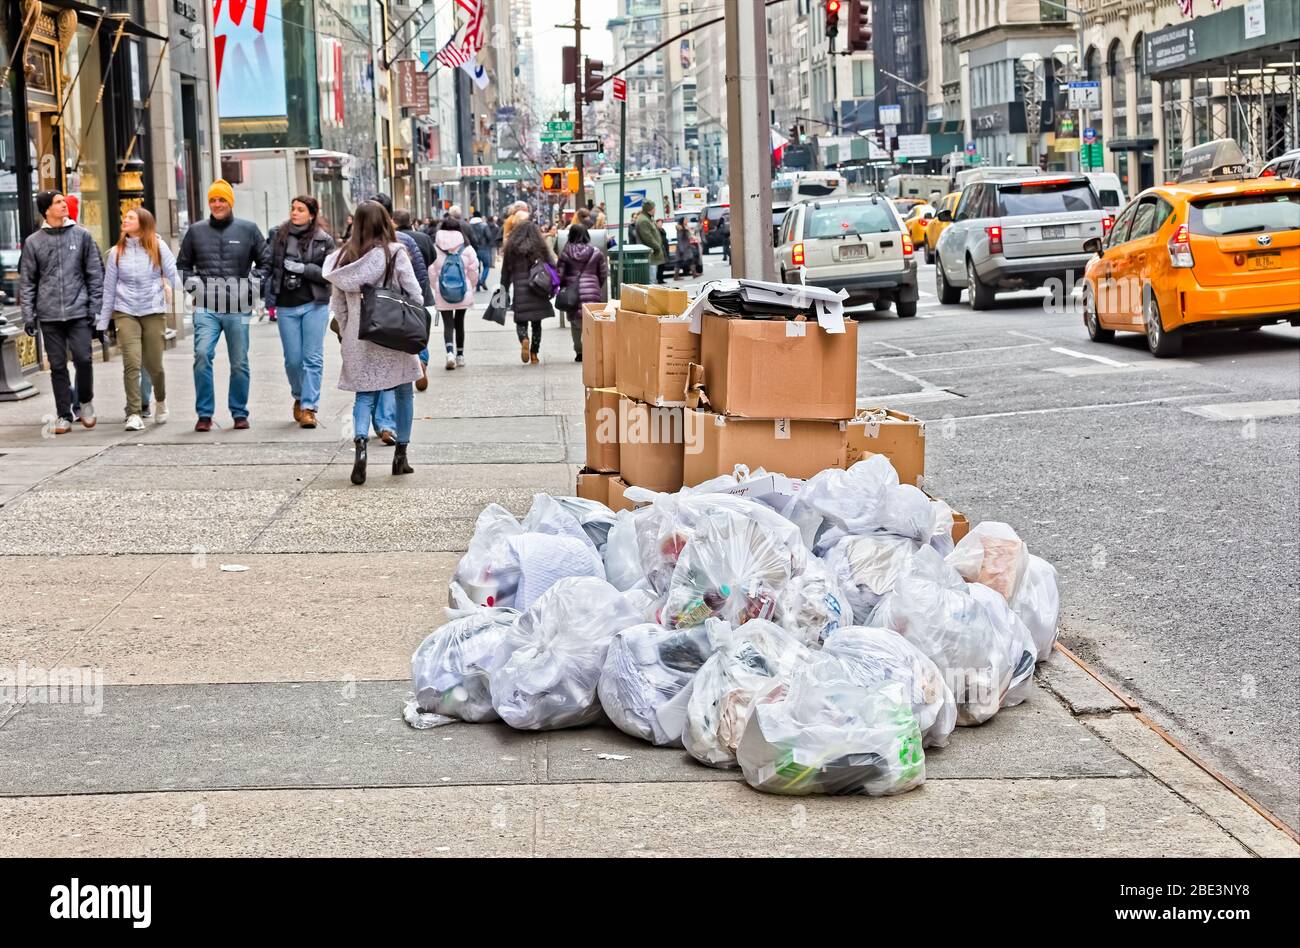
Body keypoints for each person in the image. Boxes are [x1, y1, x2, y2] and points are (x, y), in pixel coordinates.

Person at [323, 201, 423, 485]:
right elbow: (414, 292)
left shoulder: (342, 260)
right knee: (404, 390)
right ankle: (401, 456)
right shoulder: (394, 253)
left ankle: (361, 448)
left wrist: (346, 333)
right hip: (394, 332)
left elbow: (338, 305)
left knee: (364, 395)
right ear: (385, 222)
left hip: (358, 334)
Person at [177, 179, 269, 431]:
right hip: (206, 307)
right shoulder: (196, 231)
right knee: (202, 355)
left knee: (239, 361)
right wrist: (196, 288)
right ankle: (204, 415)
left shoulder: (248, 230)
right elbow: (183, 265)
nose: (217, 204)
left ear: (230, 202)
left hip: (238, 307)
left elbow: (266, 262)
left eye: (222, 200)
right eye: (213, 200)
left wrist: (250, 285)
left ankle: (239, 412)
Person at [18, 190, 105, 432]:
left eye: (63, 201)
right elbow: (27, 282)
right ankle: (64, 414)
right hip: (49, 314)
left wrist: (95, 308)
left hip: (79, 312)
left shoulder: (82, 236)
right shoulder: (33, 242)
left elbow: (95, 274)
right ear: (46, 210)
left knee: (84, 359)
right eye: (58, 203)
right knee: (57, 366)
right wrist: (28, 316)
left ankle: (86, 402)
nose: (64, 205)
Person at [96, 206, 176, 431]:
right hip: (126, 311)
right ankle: (133, 413)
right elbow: (109, 289)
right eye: (125, 217)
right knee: (131, 363)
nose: (125, 220)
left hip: (152, 310)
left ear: (143, 223)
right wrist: (103, 322)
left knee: (154, 365)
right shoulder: (116, 253)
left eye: (130, 217)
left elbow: (174, 274)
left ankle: (160, 400)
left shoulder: (158, 247)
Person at [265, 195, 335, 429]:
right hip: (286, 304)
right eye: (293, 208)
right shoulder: (278, 236)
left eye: (300, 209)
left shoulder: (324, 240)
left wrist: (304, 269)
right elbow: (268, 265)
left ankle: (309, 407)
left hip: (315, 304)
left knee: (312, 358)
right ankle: (298, 394)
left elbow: (329, 272)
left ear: (312, 214)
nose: (295, 213)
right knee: (293, 360)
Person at [501, 221, 555, 365]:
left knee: (521, 321)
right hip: (538, 288)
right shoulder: (540, 246)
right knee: (537, 324)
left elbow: (505, 272)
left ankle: (524, 339)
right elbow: (552, 266)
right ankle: (534, 354)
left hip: (520, 291)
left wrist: (504, 289)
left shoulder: (511, 248)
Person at [431, 217, 480, 370]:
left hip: (443, 291)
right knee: (460, 322)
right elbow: (474, 271)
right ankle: (460, 355)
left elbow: (431, 272)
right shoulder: (467, 248)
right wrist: (471, 287)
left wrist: (436, 286)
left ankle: (449, 353)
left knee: (448, 324)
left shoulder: (435, 248)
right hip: (462, 290)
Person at [555, 223, 608, 363]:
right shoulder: (596, 252)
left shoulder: (566, 252)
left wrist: (563, 286)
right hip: (592, 291)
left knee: (575, 324)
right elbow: (603, 274)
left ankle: (579, 352)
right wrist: (595, 285)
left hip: (574, 293)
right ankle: (590, 350)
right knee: (590, 323)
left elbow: (559, 275)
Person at [634, 200, 666, 283]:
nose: (655, 210)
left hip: (651, 254)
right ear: (649, 209)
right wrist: (657, 246)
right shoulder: (643, 220)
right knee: (651, 280)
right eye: (654, 208)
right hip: (649, 254)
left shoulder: (647, 219)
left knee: (652, 279)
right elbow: (648, 238)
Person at [468, 215, 493, 291]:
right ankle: (482, 280)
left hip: (474, 249)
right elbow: (489, 237)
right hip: (484, 248)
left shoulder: (469, 227)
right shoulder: (484, 226)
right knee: (486, 266)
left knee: (476, 268)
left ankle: (478, 284)